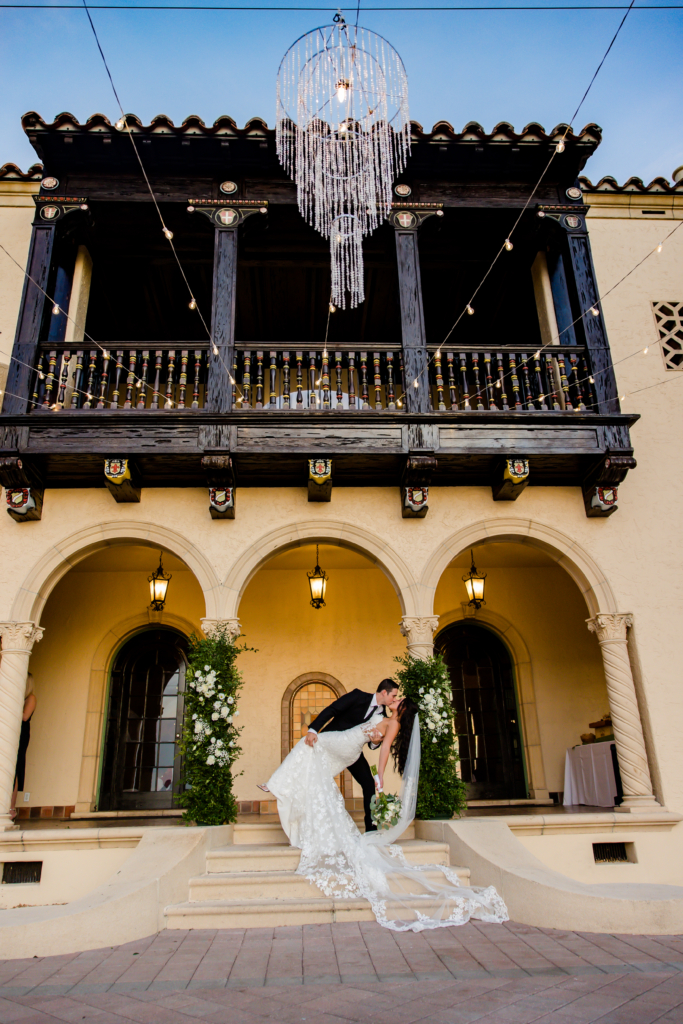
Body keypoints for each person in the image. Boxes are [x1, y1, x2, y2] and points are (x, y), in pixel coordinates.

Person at [258, 689, 508, 932]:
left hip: (347, 744)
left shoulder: (393, 724)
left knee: (309, 745)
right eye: (394, 695)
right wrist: (374, 739)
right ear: (385, 694)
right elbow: (372, 735)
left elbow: (384, 747)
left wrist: (379, 774)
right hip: (348, 744)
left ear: (402, 708)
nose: (395, 699)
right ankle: (287, 789)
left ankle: (277, 785)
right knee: (312, 760)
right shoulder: (379, 713)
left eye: (399, 699)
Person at [10, 674, 36, 821]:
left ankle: (11, 808)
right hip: (9, 732)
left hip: (20, 734)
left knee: (15, 768)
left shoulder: (31, 698)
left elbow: (25, 716)